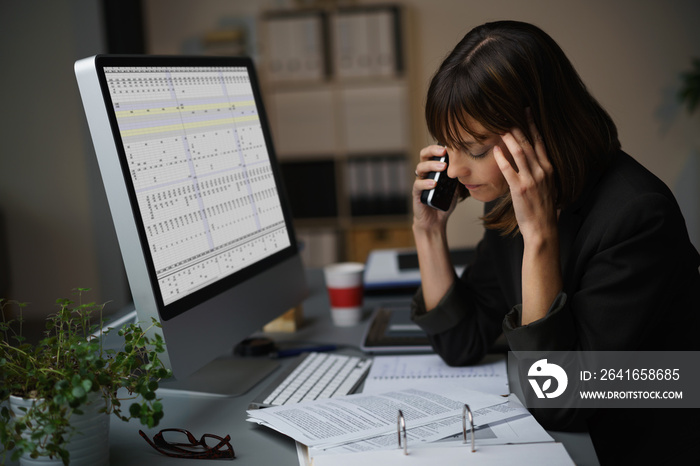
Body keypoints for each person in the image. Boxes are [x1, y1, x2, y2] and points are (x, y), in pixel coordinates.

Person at [410, 20, 700, 465]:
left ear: (537, 130)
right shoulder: (510, 202)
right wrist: (428, 231)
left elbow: (558, 400)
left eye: (476, 149)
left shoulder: (638, 217)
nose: (454, 172)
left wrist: (539, 237)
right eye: (450, 148)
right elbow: (461, 341)